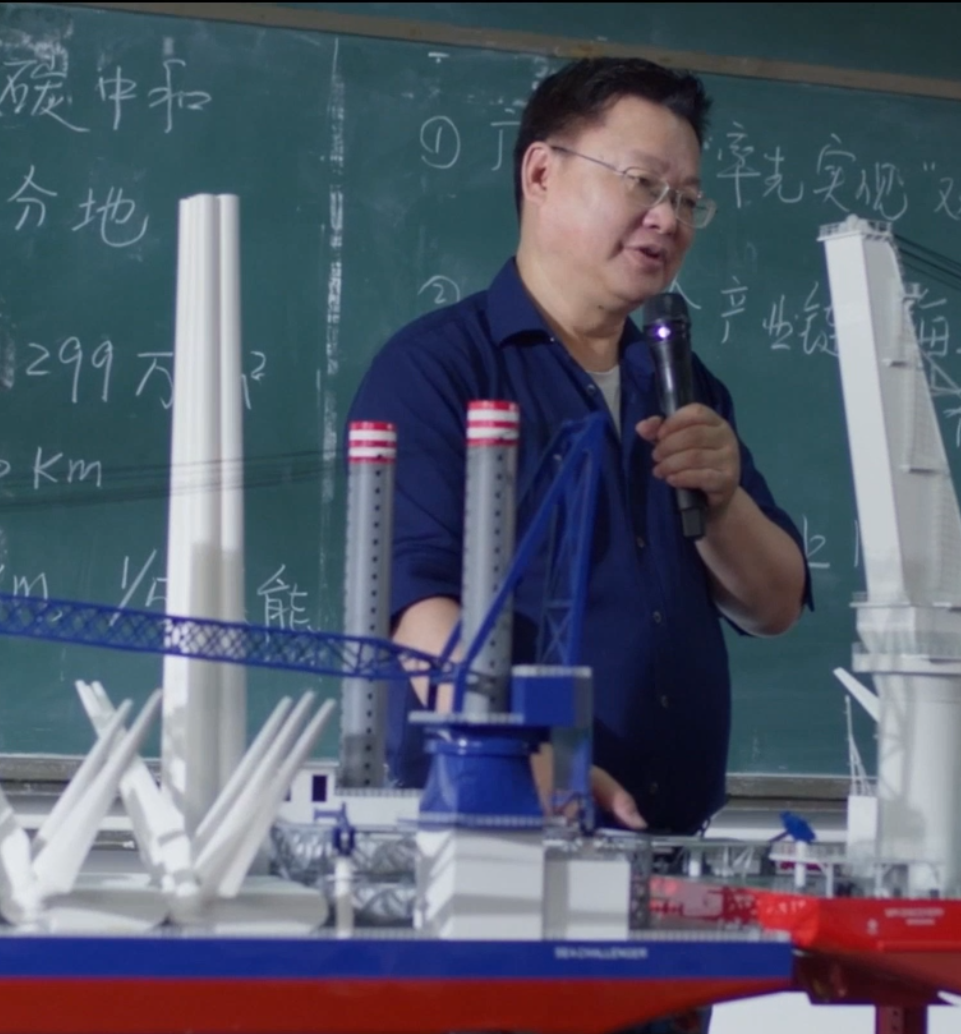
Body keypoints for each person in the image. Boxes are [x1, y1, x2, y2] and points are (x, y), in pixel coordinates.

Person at [346, 56, 812, 1032]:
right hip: (500, 862)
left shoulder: (683, 384)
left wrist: (724, 495)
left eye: (687, 198)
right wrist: (531, 763)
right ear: (541, 173)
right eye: (642, 183)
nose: (667, 219)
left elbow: (773, 602)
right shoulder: (438, 370)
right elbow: (419, 611)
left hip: (669, 873)